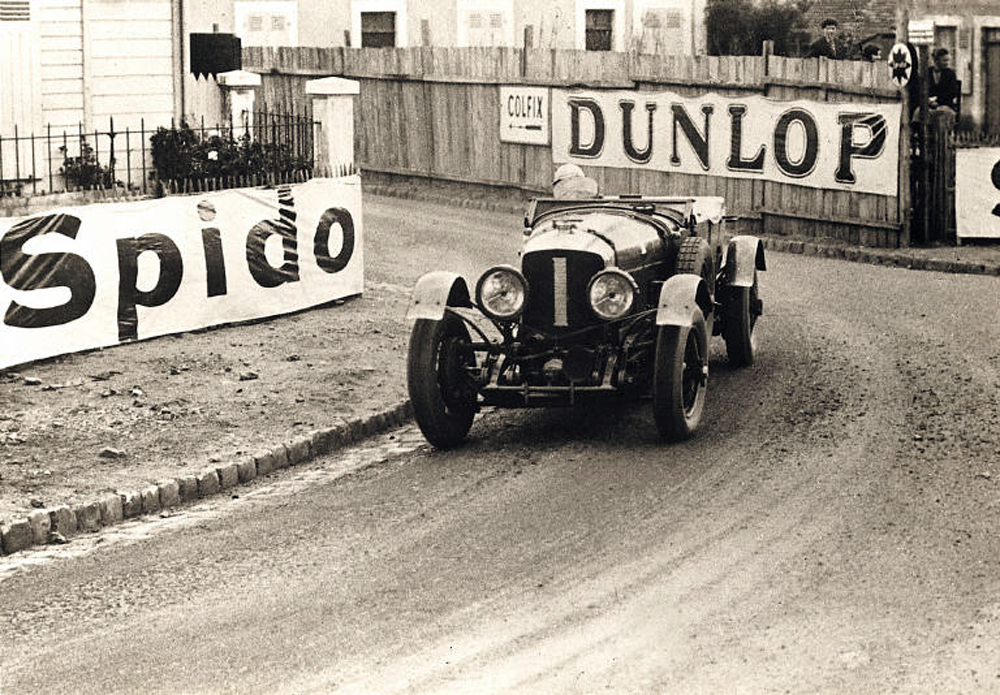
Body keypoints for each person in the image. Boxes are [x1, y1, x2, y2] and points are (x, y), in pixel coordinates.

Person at [927, 47, 960, 113]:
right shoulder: (927, 72)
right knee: (918, 113)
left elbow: (952, 93)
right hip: (928, 106)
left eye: (948, 60)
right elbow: (921, 91)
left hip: (945, 105)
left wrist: (938, 102)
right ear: (936, 60)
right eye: (944, 60)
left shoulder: (950, 74)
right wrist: (929, 102)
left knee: (941, 114)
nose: (947, 63)